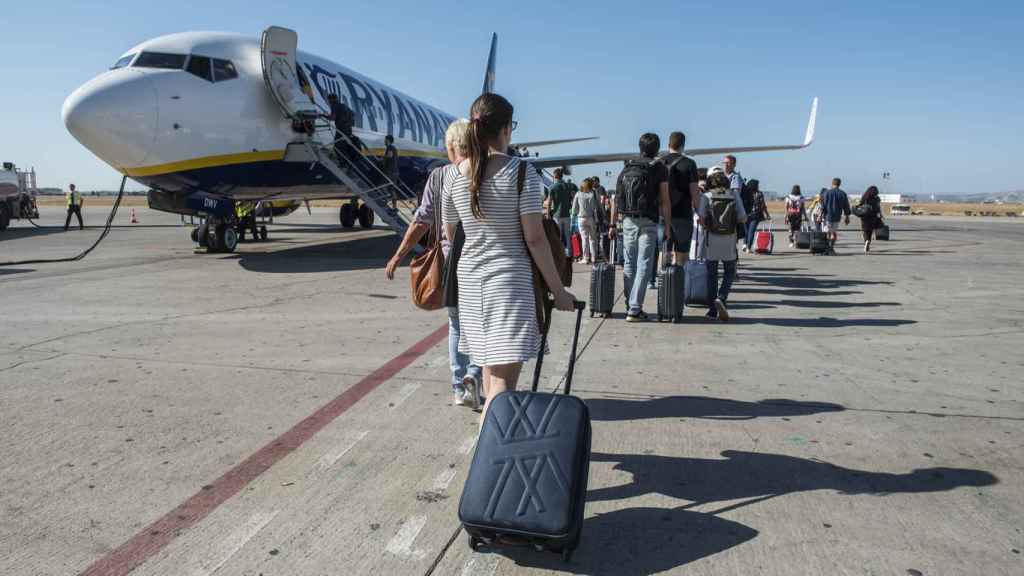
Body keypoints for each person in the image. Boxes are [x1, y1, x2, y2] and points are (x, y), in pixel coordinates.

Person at [442, 93, 575, 423]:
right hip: (509, 285)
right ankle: (490, 456)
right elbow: (534, 237)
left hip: (471, 284)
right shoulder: (521, 173)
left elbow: (449, 233)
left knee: (490, 373)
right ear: (505, 129)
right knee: (504, 384)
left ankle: (491, 445)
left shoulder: (454, 175)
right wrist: (558, 290)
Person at [386, 120, 481, 408]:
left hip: (451, 262)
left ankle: (457, 385)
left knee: (455, 323)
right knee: (478, 322)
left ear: (452, 146)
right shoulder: (482, 172)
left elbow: (421, 220)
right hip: (480, 259)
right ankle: (474, 374)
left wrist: (398, 254)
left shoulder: (439, 176)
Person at [609, 133, 672, 322]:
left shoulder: (627, 167)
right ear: (657, 149)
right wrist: (667, 225)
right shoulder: (659, 168)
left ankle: (631, 305)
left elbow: (615, 199)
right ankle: (635, 308)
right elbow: (665, 200)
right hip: (649, 220)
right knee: (644, 264)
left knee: (629, 263)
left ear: (640, 147)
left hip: (628, 220)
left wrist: (612, 224)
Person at [698, 171, 747, 321]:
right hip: (729, 240)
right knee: (729, 272)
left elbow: (700, 217)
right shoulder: (734, 195)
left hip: (711, 240)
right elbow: (743, 217)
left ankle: (712, 310)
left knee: (711, 274)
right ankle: (722, 297)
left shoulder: (707, 196)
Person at [658, 132, 701, 267]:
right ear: (683, 145)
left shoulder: (660, 163)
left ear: (668, 144)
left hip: (662, 214)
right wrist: (699, 212)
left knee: (664, 252)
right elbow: (695, 192)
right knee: (682, 253)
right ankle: (681, 284)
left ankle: (664, 282)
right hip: (683, 214)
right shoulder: (689, 164)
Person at [571, 178, 601, 264]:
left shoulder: (578, 194)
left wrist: (573, 218)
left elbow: (574, 208)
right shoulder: (593, 194)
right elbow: (597, 207)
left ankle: (585, 258)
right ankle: (594, 257)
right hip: (591, 218)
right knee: (593, 239)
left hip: (581, 218)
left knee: (584, 239)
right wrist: (598, 218)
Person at [546, 168, 574, 256]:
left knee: (557, 235)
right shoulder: (568, 186)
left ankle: (558, 253)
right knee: (567, 234)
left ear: (555, 176)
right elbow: (573, 197)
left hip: (557, 215)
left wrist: (548, 215)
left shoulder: (552, 187)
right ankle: (569, 253)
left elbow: (549, 202)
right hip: (567, 214)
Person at [821, 178, 851, 254]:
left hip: (828, 216)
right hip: (837, 217)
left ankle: (827, 248)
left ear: (832, 183)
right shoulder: (843, 193)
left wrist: (820, 215)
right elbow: (846, 206)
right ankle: (831, 247)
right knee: (834, 233)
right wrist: (847, 217)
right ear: (839, 184)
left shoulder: (827, 193)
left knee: (827, 233)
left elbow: (823, 206)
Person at [742, 179, 770, 253]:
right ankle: (748, 247)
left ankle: (744, 244)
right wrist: (767, 214)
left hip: (746, 214)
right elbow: (763, 205)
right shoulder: (759, 194)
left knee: (746, 230)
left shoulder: (745, 193)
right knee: (751, 231)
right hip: (755, 215)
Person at [858, 185, 884, 252]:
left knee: (865, 230)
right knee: (870, 231)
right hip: (873, 216)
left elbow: (860, 204)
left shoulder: (865, 197)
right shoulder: (877, 198)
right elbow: (878, 207)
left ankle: (866, 241)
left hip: (865, 216)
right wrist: (880, 215)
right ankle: (868, 242)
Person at [383, 134, 401, 209]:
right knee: (392, 189)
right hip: (395, 171)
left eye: (385, 140)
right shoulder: (394, 148)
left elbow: (390, 156)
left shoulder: (390, 147)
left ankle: (385, 204)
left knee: (385, 187)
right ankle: (394, 207)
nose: (384, 141)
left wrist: (383, 158)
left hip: (390, 172)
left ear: (388, 140)